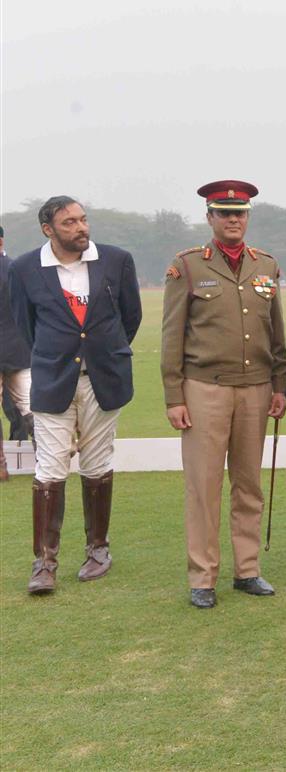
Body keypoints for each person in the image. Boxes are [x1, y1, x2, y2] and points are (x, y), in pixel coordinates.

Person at [162, 180, 286, 610]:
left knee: (249, 485)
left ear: (248, 217)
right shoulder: (188, 266)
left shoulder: (266, 266)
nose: (233, 219)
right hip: (204, 389)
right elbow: (171, 336)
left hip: (255, 389)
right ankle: (202, 577)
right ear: (210, 218)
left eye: (239, 213)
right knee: (204, 486)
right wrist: (174, 395)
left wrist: (280, 385)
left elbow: (276, 334)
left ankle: (247, 570)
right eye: (224, 213)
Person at [9, 197, 142, 594]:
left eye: (83, 219)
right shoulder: (24, 268)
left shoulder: (117, 260)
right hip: (53, 380)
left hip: (104, 378)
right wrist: (60, 356)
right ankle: (44, 563)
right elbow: (26, 325)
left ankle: (98, 550)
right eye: (69, 223)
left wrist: (101, 355)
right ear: (48, 230)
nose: (81, 228)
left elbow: (129, 318)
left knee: (97, 463)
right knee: (49, 468)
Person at [0, 223, 34, 483]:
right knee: (29, 406)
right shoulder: (16, 269)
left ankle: (1, 467)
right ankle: (50, 457)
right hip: (18, 348)